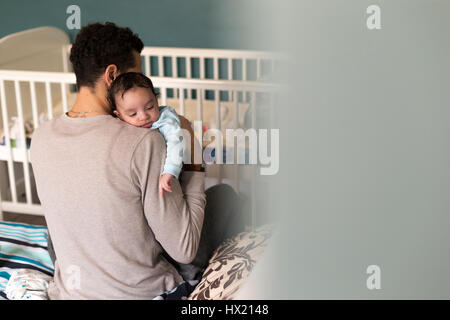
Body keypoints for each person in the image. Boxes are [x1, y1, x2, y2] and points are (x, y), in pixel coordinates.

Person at [30, 22, 247, 300]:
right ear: (112, 75)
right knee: (225, 196)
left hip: (72, 291)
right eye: (136, 77)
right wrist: (192, 156)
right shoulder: (143, 142)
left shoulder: (41, 136)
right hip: (141, 292)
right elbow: (184, 248)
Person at [107, 72, 184, 197]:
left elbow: (176, 142)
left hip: (174, 171)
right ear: (119, 115)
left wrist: (170, 171)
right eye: (133, 114)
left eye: (150, 107)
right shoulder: (117, 126)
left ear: (156, 100)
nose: (144, 116)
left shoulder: (165, 119)